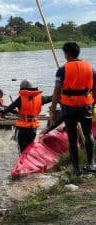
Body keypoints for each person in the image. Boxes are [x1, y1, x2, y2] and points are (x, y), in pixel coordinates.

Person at [49, 42, 96, 176]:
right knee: (88, 134)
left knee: (72, 138)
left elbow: (57, 91)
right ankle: (91, 163)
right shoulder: (90, 68)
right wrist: (93, 103)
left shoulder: (62, 69)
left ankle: (76, 169)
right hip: (86, 105)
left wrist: (52, 109)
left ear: (66, 53)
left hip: (69, 107)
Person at [2, 80, 52, 153]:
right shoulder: (40, 97)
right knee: (30, 147)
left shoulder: (20, 98)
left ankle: (21, 161)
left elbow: (8, 109)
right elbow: (50, 98)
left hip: (22, 128)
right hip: (33, 128)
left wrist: (15, 112)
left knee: (21, 149)